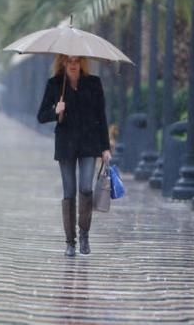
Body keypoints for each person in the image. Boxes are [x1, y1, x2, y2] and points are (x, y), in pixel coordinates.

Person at [37, 55, 111, 257]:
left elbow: (101, 117)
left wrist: (105, 147)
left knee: (86, 188)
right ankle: (70, 242)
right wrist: (55, 110)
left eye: (76, 61)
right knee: (69, 192)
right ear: (62, 62)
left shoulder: (93, 83)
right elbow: (41, 116)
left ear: (82, 63)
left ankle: (84, 235)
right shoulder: (54, 84)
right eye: (68, 61)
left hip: (89, 143)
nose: (73, 64)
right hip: (66, 145)